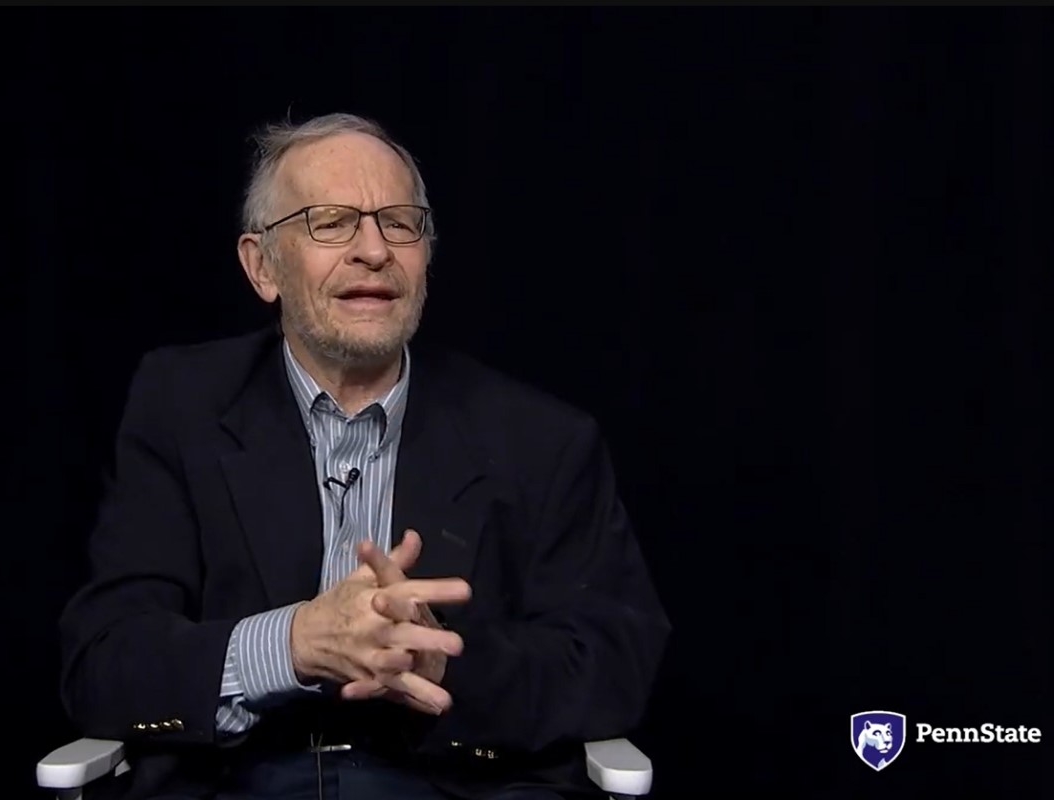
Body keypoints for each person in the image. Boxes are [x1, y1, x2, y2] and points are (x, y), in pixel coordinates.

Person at [58, 111, 671, 800]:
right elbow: (104, 660)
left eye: (400, 222)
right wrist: (292, 644)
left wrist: (440, 666)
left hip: (453, 784)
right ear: (262, 266)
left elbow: (613, 661)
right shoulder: (179, 407)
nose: (374, 250)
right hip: (235, 781)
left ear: (426, 258)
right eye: (331, 221)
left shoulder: (542, 438)